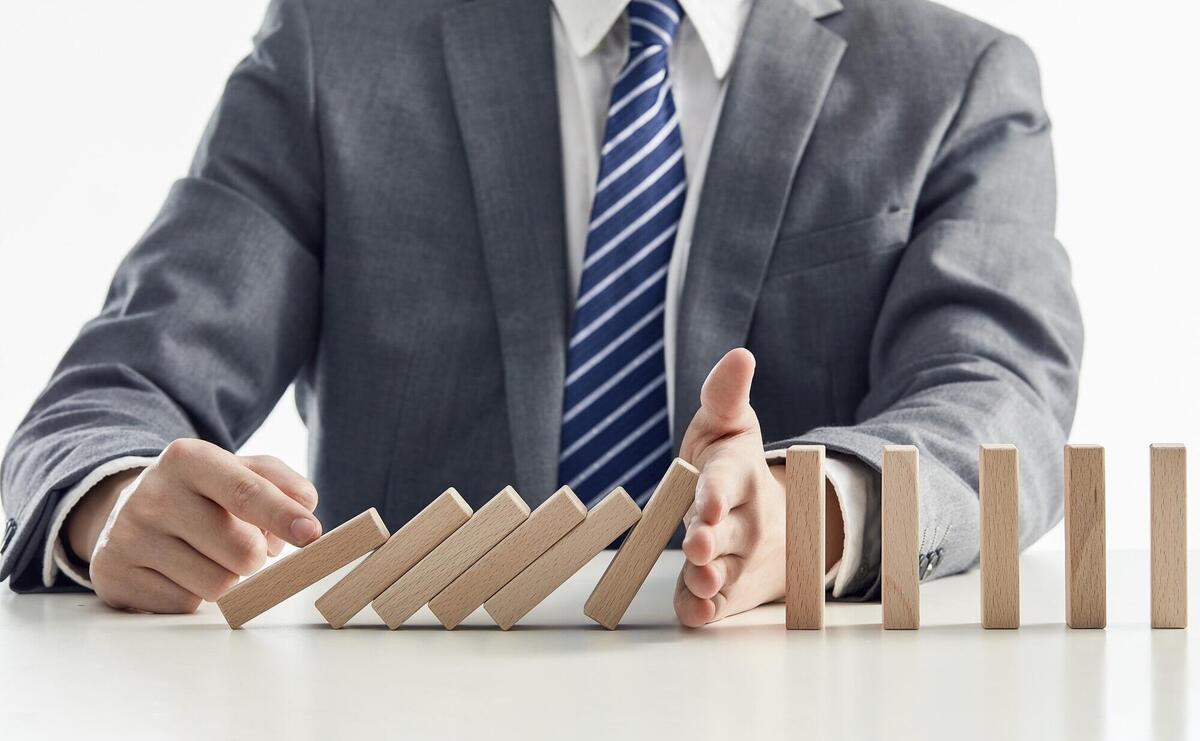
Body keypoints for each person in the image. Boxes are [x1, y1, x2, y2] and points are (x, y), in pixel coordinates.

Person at [0, 0, 1082, 625]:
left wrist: (822, 513)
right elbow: (108, 399)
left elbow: (999, 399)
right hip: (407, 707)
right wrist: (116, 505)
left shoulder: (957, 79)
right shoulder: (340, 45)